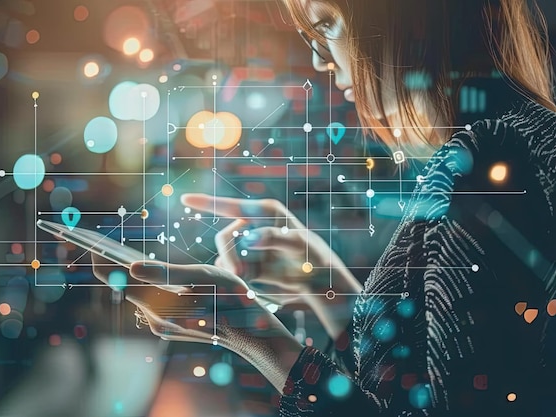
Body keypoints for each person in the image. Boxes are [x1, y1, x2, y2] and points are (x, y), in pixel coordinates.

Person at [93, 0, 556, 415]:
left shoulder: (486, 164)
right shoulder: (516, 146)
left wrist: (241, 328)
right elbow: (422, 382)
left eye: (330, 24)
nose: (319, 60)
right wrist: (324, 284)